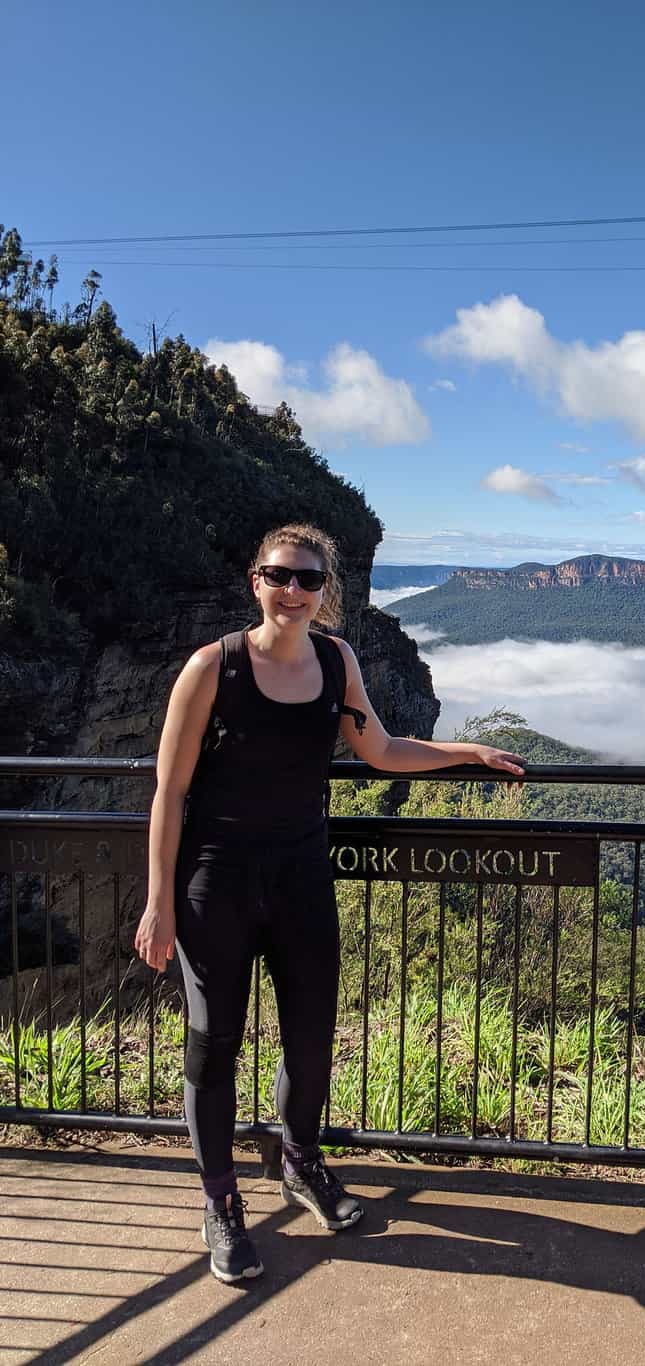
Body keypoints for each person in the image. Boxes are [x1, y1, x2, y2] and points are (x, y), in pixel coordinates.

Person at [134, 523, 525, 1284]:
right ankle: (220, 1203)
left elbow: (379, 749)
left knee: (311, 1041)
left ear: (324, 592)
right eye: (281, 576)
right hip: (216, 877)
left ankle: (301, 1162)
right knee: (214, 1043)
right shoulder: (214, 666)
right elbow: (170, 790)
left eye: (309, 581)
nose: (294, 592)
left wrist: (465, 751)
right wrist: (159, 904)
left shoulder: (336, 658)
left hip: (302, 874)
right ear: (256, 581)